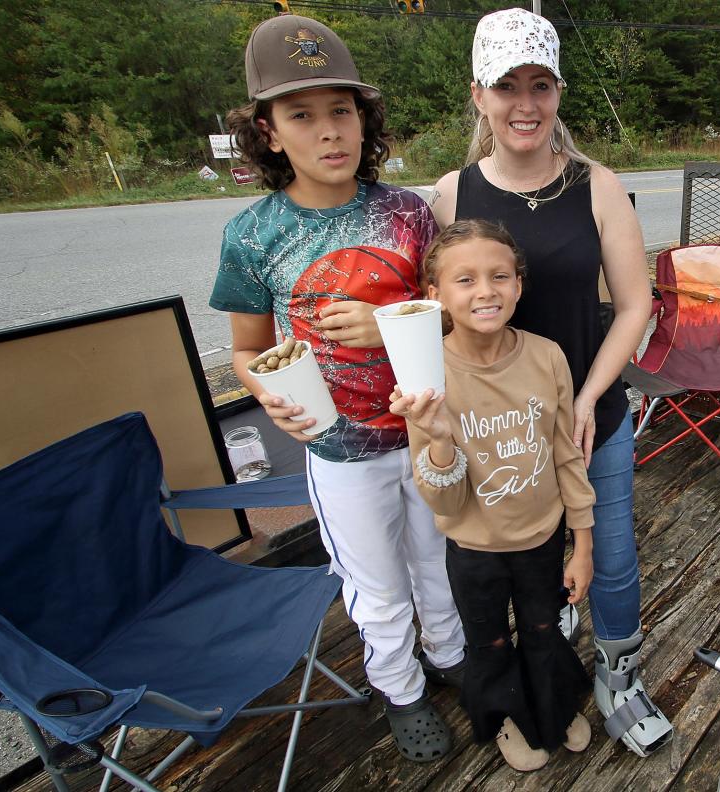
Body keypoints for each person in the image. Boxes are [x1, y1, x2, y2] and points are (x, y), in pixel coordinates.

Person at [209, 13, 465, 763]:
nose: (329, 132)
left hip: (425, 430)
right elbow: (249, 349)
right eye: (301, 115)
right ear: (267, 130)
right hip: (341, 448)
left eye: (341, 110)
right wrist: (269, 397)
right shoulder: (253, 235)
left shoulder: (408, 213)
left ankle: (449, 655)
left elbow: (450, 317)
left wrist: (390, 321)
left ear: (365, 118)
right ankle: (401, 687)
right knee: (376, 583)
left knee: (437, 556)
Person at [429, 7, 673, 757]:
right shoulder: (451, 194)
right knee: (519, 556)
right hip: (496, 427)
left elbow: (635, 305)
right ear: (479, 96)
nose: (525, 104)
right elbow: (437, 312)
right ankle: (535, 667)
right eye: (508, 86)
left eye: (541, 84)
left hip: (588, 412)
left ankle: (619, 676)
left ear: (559, 91)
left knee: (613, 552)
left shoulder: (597, 186)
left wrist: (592, 397)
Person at [391, 219, 594, 771]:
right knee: (490, 642)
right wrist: (436, 441)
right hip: (474, 549)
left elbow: (565, 454)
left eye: (499, 275)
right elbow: (447, 504)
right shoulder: (426, 379)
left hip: (542, 538)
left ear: (519, 285)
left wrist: (582, 543)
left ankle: (550, 704)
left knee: (541, 628)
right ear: (435, 296)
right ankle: (506, 712)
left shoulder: (546, 356)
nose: (485, 290)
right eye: (465, 280)